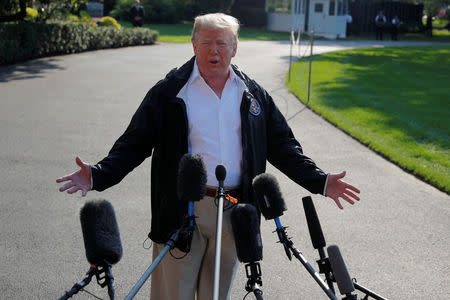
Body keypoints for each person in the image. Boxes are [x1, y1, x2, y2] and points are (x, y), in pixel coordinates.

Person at [56, 13, 360, 300]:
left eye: (222, 44)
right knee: (174, 294)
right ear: (194, 45)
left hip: (235, 208)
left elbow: (283, 147)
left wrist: (320, 181)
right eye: (206, 43)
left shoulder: (252, 94)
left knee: (217, 294)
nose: (214, 51)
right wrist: (97, 174)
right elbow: (134, 143)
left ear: (235, 48)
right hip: (182, 208)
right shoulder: (170, 92)